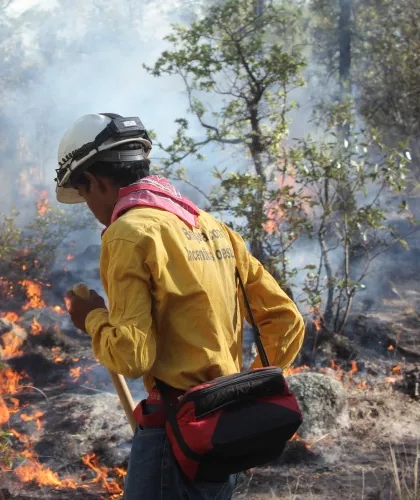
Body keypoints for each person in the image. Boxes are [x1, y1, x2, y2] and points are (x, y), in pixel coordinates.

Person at [56, 113, 305, 500]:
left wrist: (90, 317)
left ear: (95, 181)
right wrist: (246, 389)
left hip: (176, 436)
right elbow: (285, 319)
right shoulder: (212, 227)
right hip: (224, 430)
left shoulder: (128, 234)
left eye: (84, 194)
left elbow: (132, 355)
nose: (89, 205)